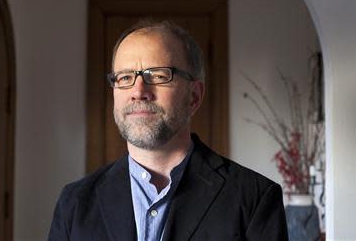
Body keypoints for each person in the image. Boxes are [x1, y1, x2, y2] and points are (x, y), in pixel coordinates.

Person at [48, 20, 288, 241]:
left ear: (194, 96)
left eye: (159, 76)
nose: (139, 91)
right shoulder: (74, 203)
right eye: (124, 78)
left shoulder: (254, 199)